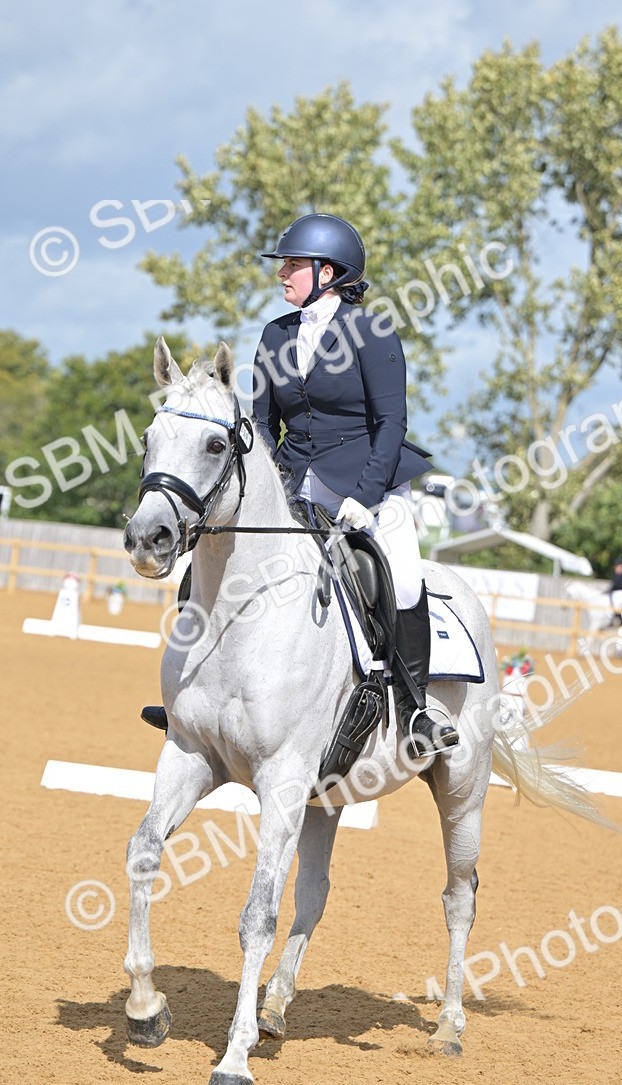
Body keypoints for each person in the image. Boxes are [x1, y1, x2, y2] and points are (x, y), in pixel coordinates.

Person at [249, 212, 459, 759]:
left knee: (405, 579)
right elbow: (264, 425)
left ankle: (417, 711)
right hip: (296, 484)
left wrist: (364, 499)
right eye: (285, 265)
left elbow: (392, 425)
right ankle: (198, 696)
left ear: (329, 271)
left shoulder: (372, 331)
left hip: (370, 483)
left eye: (293, 265)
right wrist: (270, 489)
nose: (283, 274)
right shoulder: (275, 334)